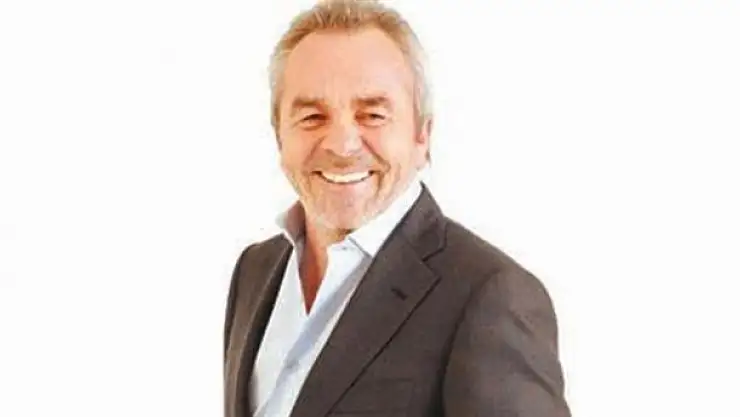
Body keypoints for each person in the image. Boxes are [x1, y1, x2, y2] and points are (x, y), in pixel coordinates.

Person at [223, 1, 571, 416]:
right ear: (279, 135)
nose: (342, 145)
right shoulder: (255, 270)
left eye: (372, 114)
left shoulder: (490, 297)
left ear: (423, 135)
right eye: (313, 117)